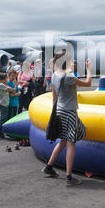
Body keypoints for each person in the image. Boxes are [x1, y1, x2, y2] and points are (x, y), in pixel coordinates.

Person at [42, 53, 92, 186]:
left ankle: (49, 167)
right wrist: (88, 69)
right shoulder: (68, 76)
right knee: (71, 142)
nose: (72, 62)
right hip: (69, 111)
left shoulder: (54, 75)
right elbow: (88, 83)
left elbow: (54, 96)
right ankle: (69, 177)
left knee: (63, 140)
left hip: (59, 110)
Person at [0, 73, 13, 141]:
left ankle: (2, 133)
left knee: (4, 119)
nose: (6, 80)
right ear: (1, 80)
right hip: (3, 104)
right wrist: (8, 85)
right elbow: (10, 89)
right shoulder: (0, 85)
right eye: (5, 79)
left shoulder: (0, 85)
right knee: (3, 119)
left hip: (4, 103)